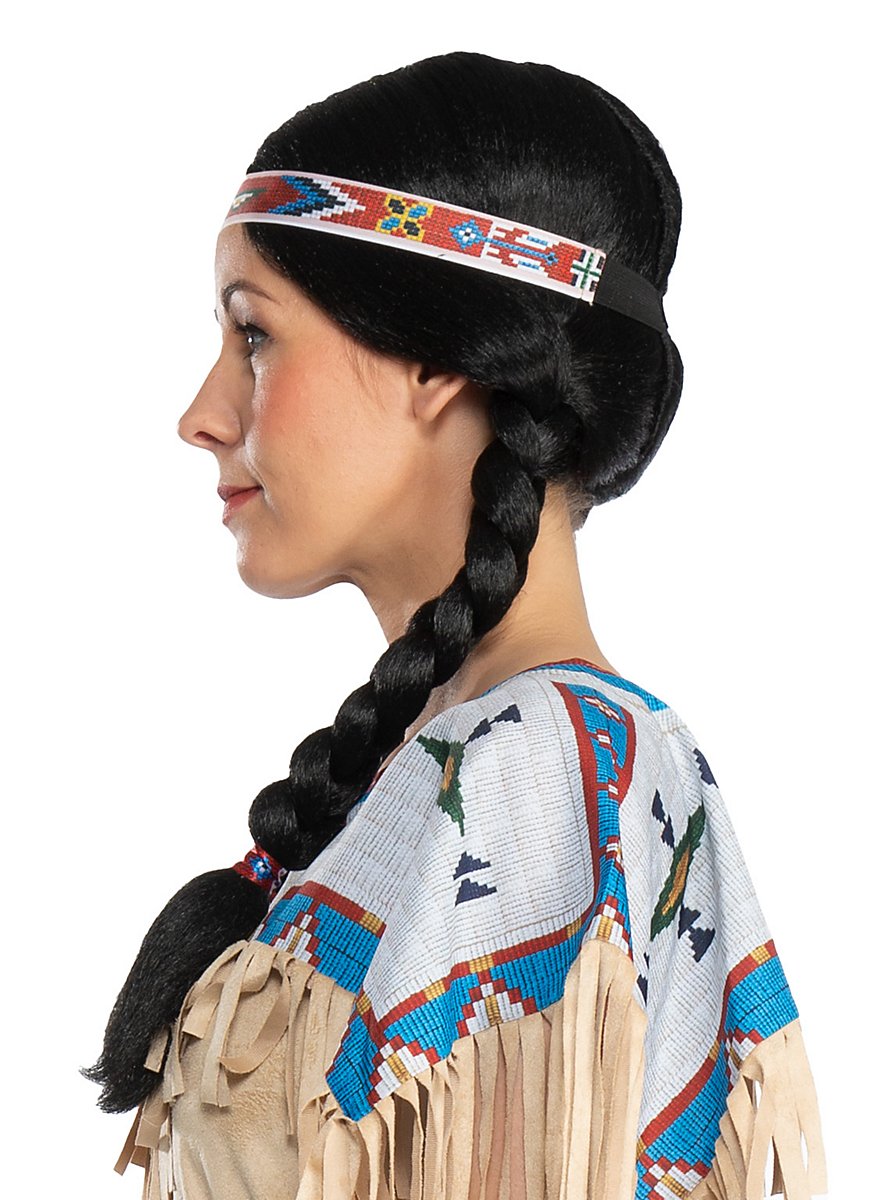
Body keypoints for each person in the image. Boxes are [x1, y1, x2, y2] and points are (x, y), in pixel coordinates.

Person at [84, 50, 827, 1200]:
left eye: (255, 334)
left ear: (434, 361)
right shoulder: (451, 763)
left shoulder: (546, 767)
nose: (202, 414)